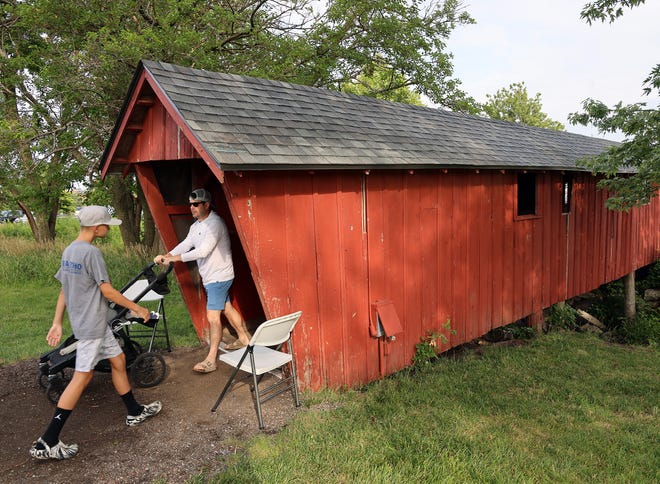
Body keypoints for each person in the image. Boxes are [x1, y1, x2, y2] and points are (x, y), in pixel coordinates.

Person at [30, 206, 162, 460]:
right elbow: (108, 291)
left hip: (94, 324)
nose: (108, 227)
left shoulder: (70, 250)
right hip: (91, 327)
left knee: (118, 360)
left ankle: (134, 411)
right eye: (106, 224)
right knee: (82, 377)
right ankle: (47, 441)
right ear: (95, 228)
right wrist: (138, 309)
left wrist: (57, 322)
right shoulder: (92, 253)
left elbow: (64, 290)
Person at [154, 188, 251, 374]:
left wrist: (174, 259)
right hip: (211, 276)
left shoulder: (215, 223)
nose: (192, 207)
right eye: (190, 204)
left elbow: (203, 251)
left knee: (213, 318)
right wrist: (169, 254)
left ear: (206, 204)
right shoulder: (196, 225)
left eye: (196, 204)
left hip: (219, 277)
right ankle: (245, 339)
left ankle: (211, 359)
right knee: (226, 308)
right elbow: (187, 243)